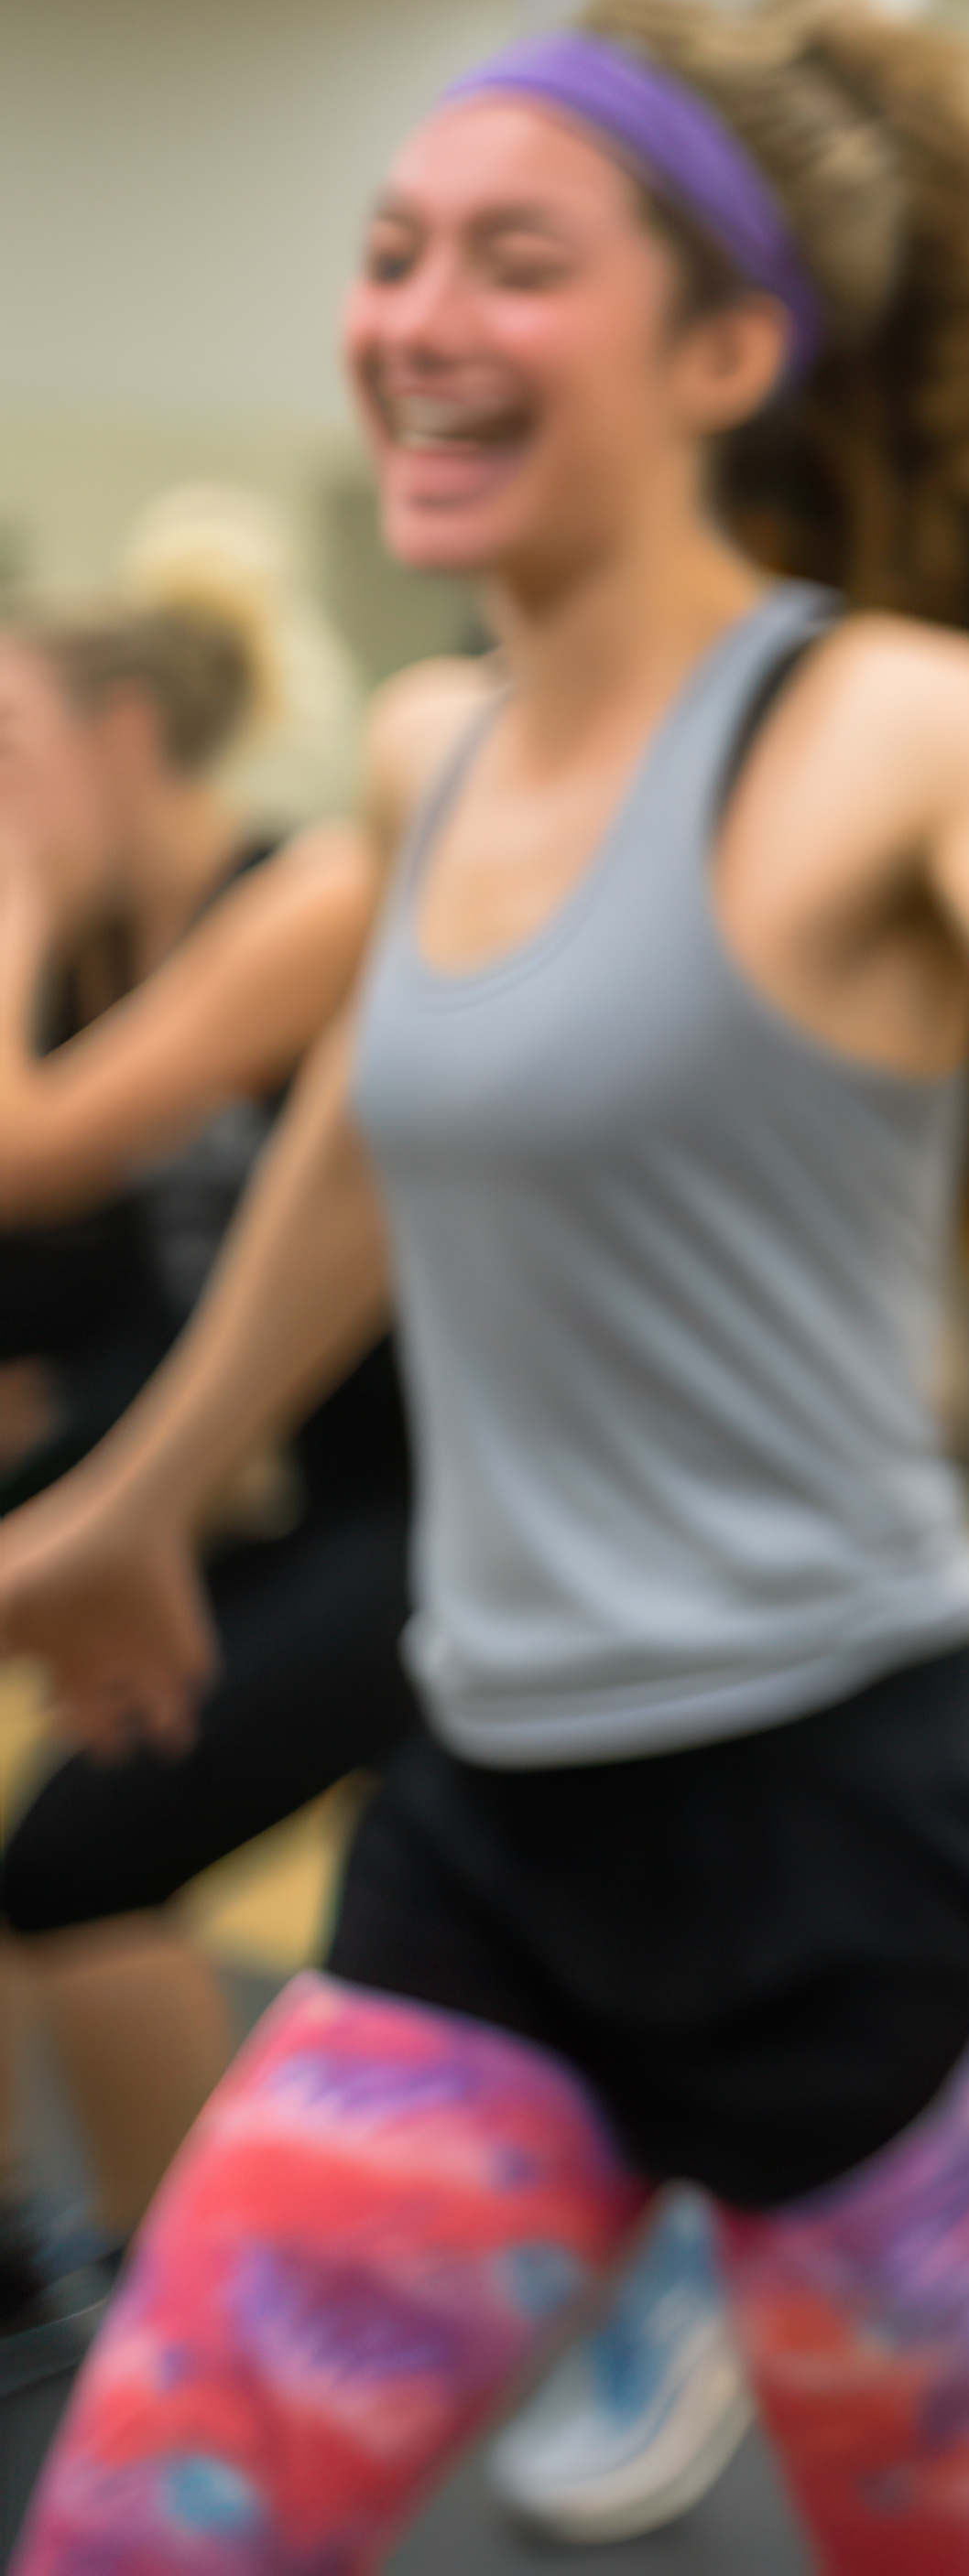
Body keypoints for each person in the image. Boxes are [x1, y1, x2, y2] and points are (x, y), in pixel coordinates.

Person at [0, 0, 969, 2575]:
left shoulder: (895, 733)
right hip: (491, 1851)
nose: (419, 320)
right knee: (141, 2536)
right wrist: (149, 1493)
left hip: (852, 1850)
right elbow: (385, 1154)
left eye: (515, 264)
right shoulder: (435, 752)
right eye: (392, 255)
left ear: (729, 349)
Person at [0, 511, 398, 2307]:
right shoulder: (110, 954)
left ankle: (173, 2312)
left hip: (471, 1516)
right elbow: (112, 1308)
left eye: (8, 751)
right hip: (314, 1500)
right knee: (68, 1856)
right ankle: (84, 2274)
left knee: (76, 1855)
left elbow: (24, 1149)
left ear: (123, 737)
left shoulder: (306, 895)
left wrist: (9, 887)